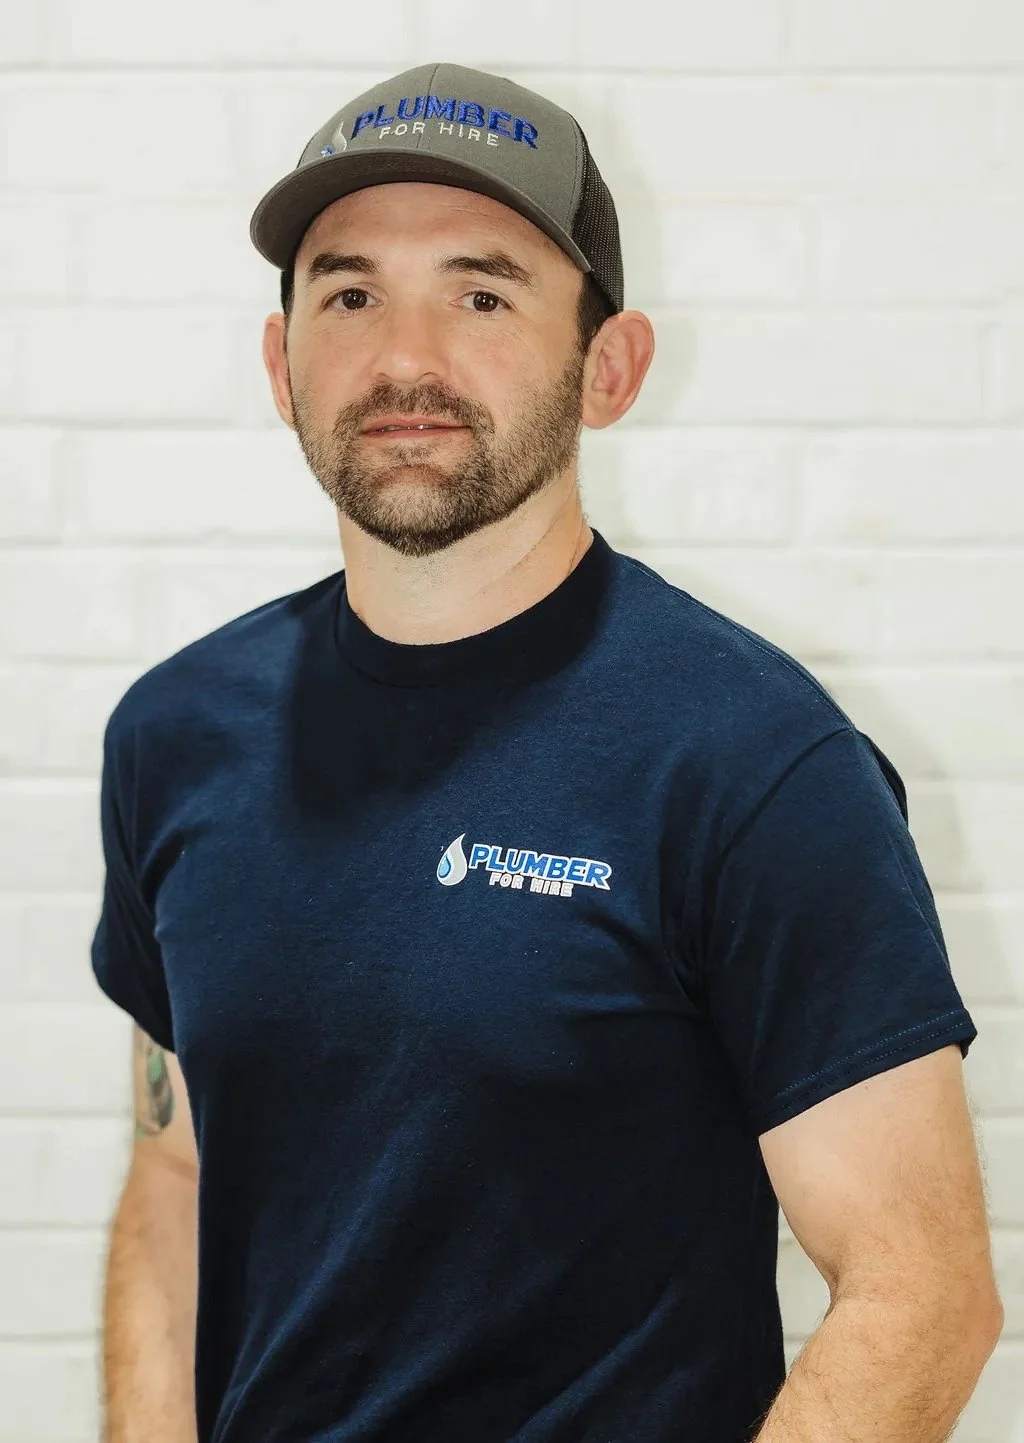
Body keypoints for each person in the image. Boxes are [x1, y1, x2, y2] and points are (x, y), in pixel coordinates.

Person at [92, 62, 1002, 1443]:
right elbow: (175, 1167)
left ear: (612, 364)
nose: (407, 358)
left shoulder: (753, 761)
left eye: (483, 292)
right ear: (281, 366)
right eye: (349, 293)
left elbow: (922, 1291)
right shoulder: (174, 736)